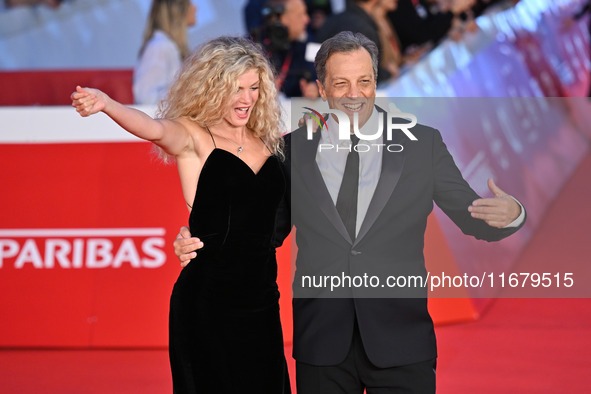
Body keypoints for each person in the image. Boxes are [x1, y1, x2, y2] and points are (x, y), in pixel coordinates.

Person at [175, 31, 525, 393]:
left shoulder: (422, 145)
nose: (354, 94)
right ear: (321, 89)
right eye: (341, 83)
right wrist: (203, 237)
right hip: (322, 345)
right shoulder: (290, 151)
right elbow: (260, 233)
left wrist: (512, 212)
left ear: (376, 82)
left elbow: (473, 216)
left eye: (364, 81)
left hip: (402, 343)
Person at [72, 36, 291, 394]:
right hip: (209, 303)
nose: (247, 98)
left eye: (254, 87)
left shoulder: (268, 141)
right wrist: (108, 104)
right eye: (236, 88)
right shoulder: (193, 136)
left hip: (263, 303)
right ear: (212, 87)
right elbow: (153, 128)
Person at [133, 0, 197, 105]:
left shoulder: (169, 46)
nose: (195, 7)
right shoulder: (159, 46)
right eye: (189, 3)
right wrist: (188, 95)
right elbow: (145, 98)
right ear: (176, 10)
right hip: (158, 120)